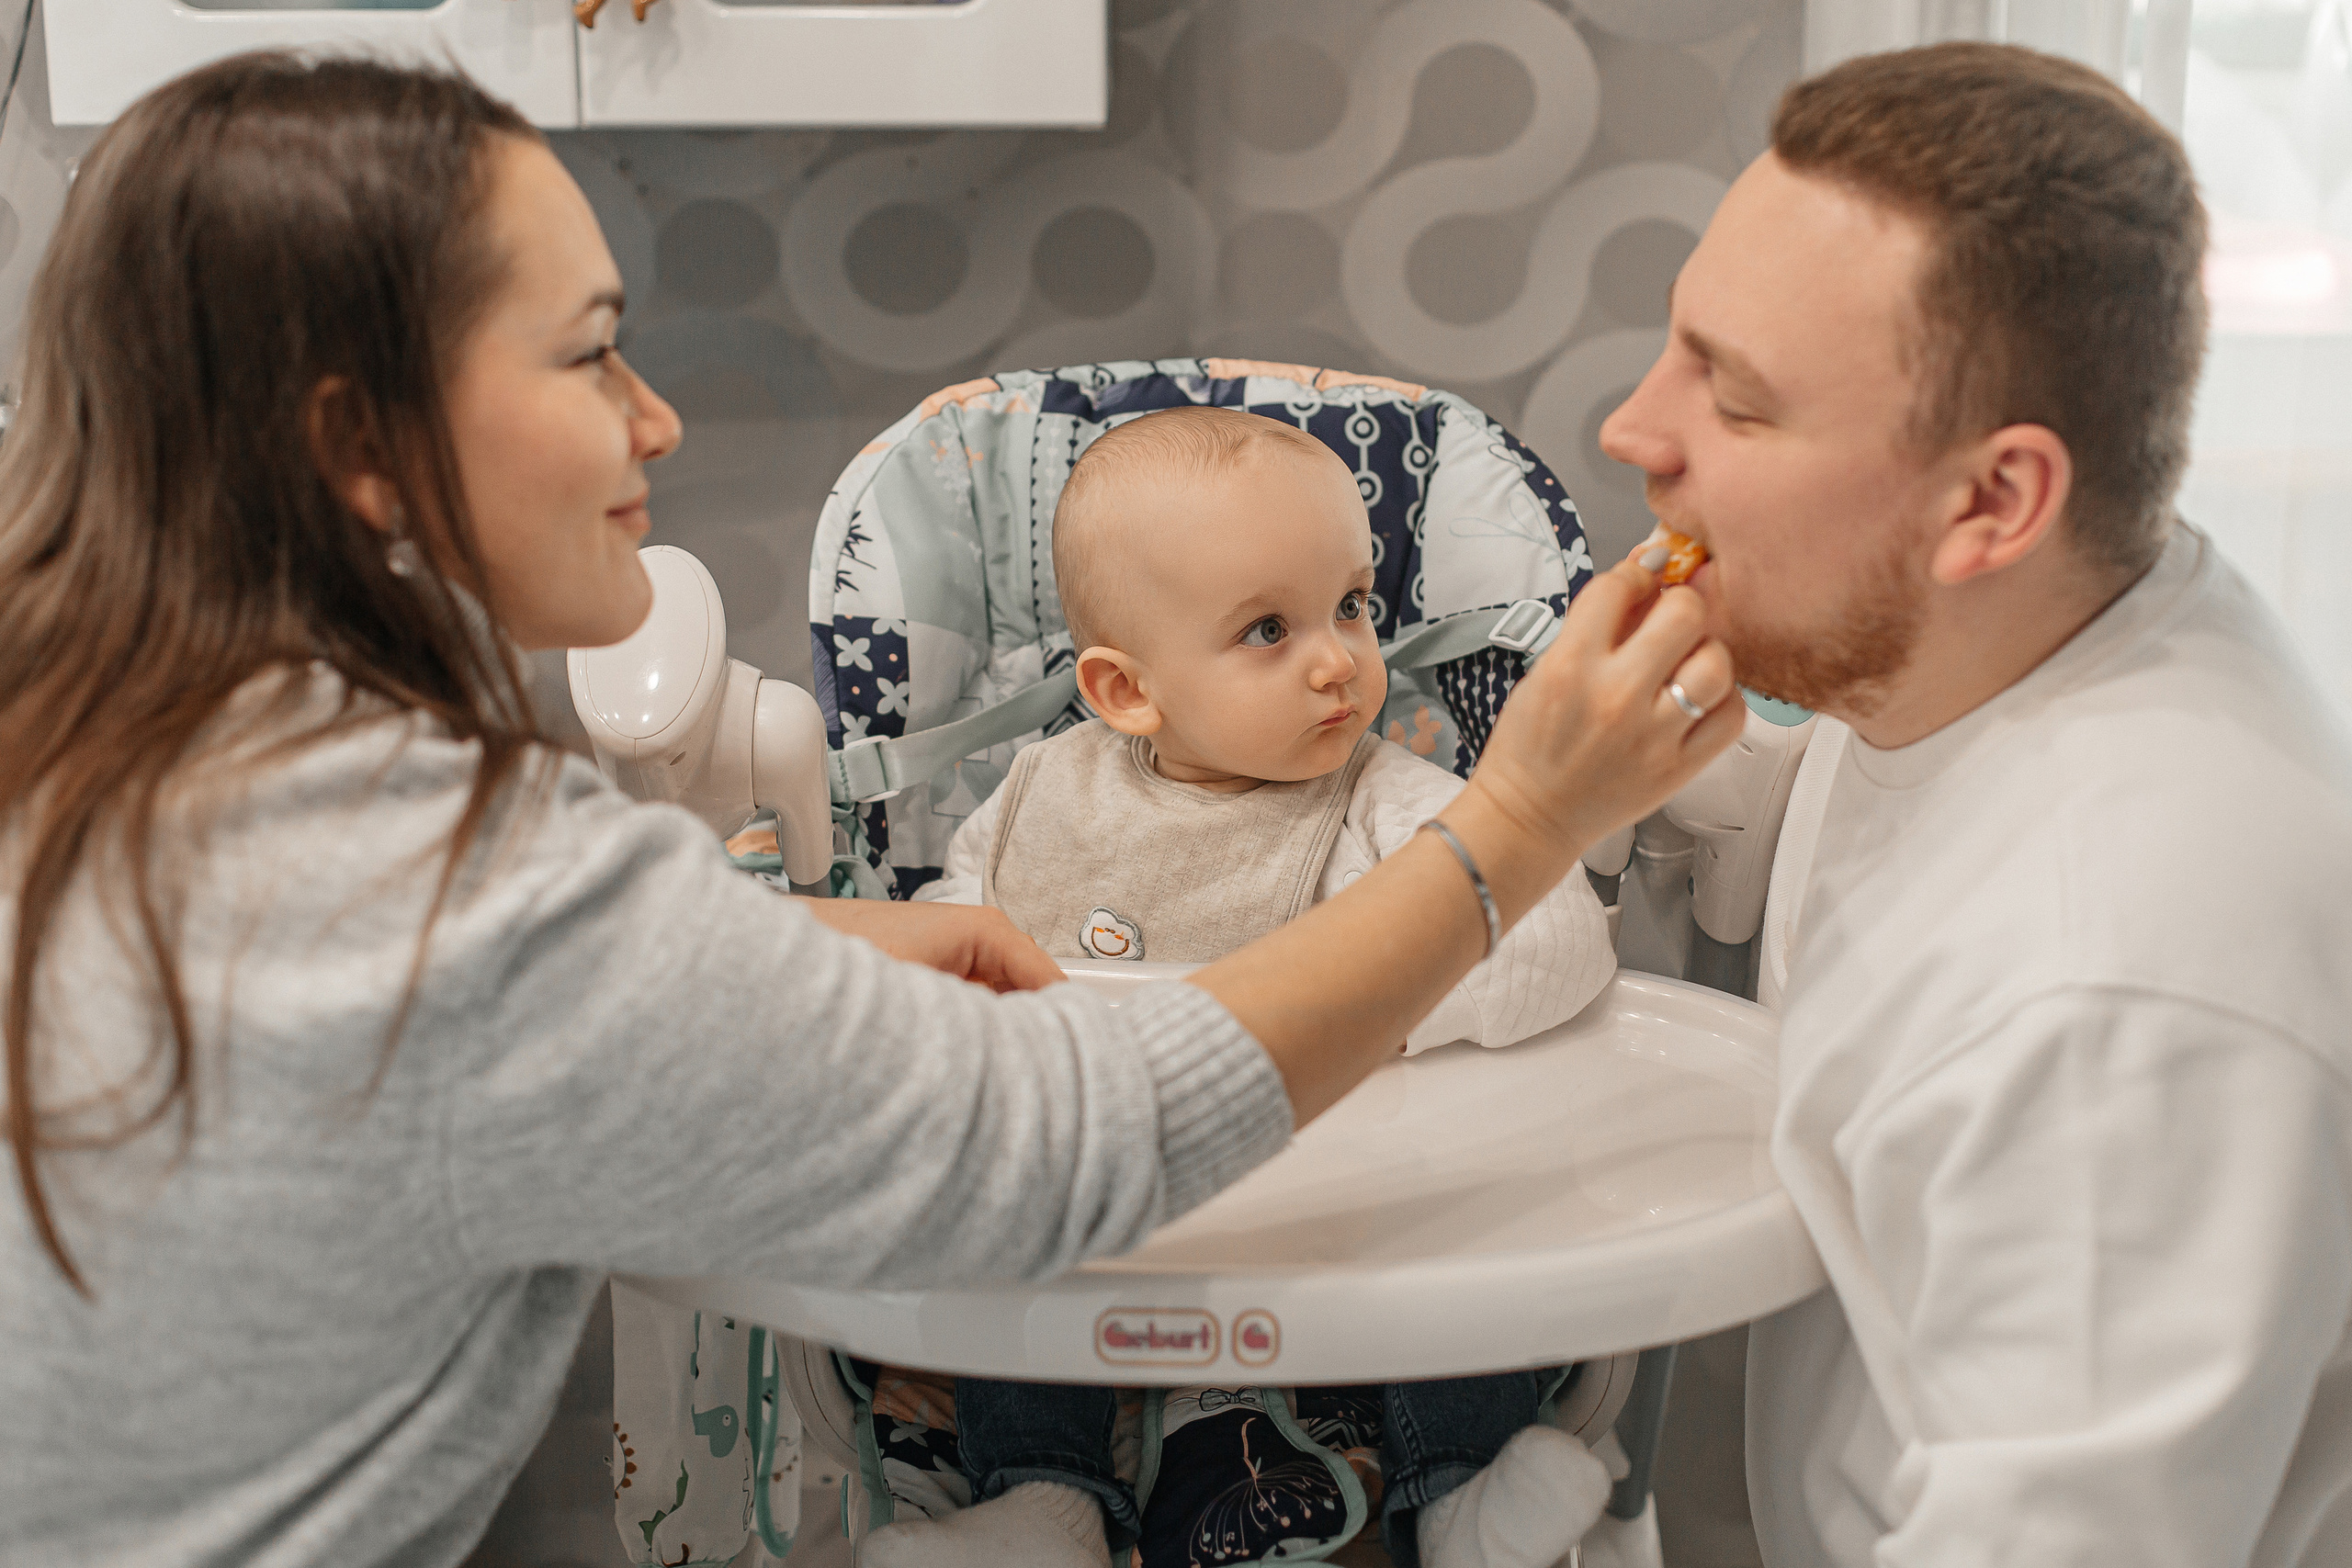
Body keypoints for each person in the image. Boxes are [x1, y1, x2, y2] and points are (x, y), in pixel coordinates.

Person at [0, 54, 1741, 1565]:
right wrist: (1527, 818)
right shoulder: (464, 892)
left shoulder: (117, 762)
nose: (655, 417)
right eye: (592, 355)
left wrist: (783, 944)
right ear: (360, 445)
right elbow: (1068, 1149)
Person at [1599, 41, 2352, 1566]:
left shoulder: (2116, 1001)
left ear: (1994, 503)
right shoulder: (2019, 633)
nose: (1636, 427)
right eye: (1679, 343)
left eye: (1735, 400)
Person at [875, 405, 1615, 1568]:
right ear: (1126, 692)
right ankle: (1045, 1497)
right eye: (1268, 629)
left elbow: (1556, 931)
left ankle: (1459, 1493)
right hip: (1112, 1205)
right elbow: (948, 957)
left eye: (1352, 606)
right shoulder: (1036, 801)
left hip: (1345, 1209)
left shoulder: (1387, 801)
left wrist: (1381, 1006)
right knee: (1001, 1219)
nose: (1338, 659)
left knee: (1464, 1229)